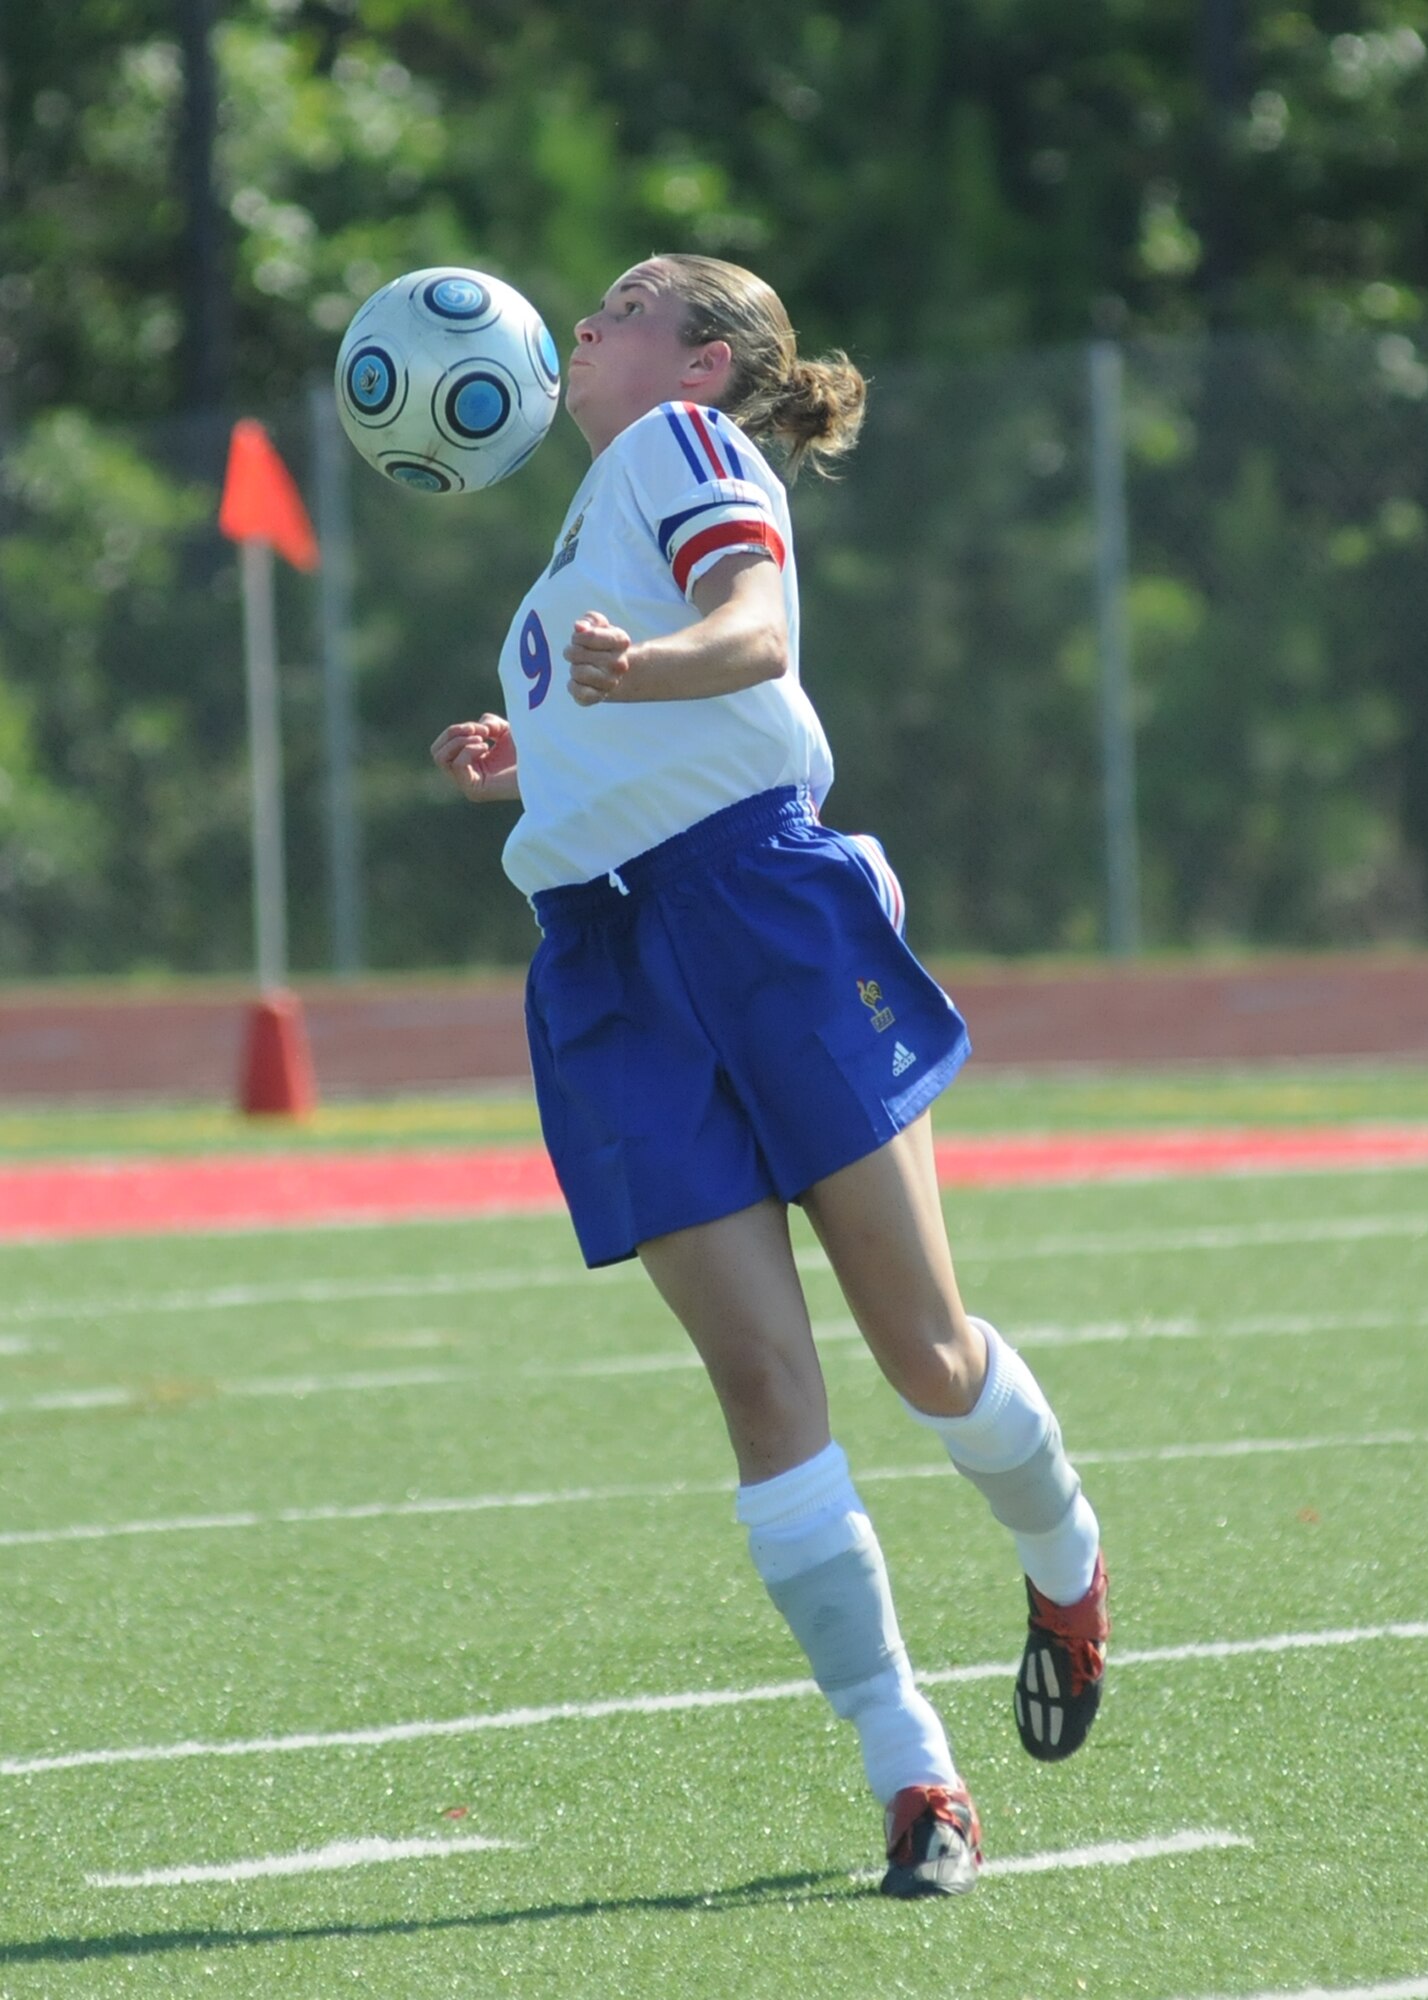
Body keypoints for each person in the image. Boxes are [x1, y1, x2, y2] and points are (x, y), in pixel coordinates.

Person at [431, 254, 1109, 1898]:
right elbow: (639, 682)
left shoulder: (683, 447)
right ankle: (913, 1779)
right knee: (758, 1384)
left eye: (615, 310)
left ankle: (1066, 1562)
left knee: (924, 1352)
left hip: (754, 912)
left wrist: (646, 676)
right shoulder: (567, 553)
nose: (577, 328)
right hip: (601, 959)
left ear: (702, 362)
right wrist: (535, 750)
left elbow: (749, 628)